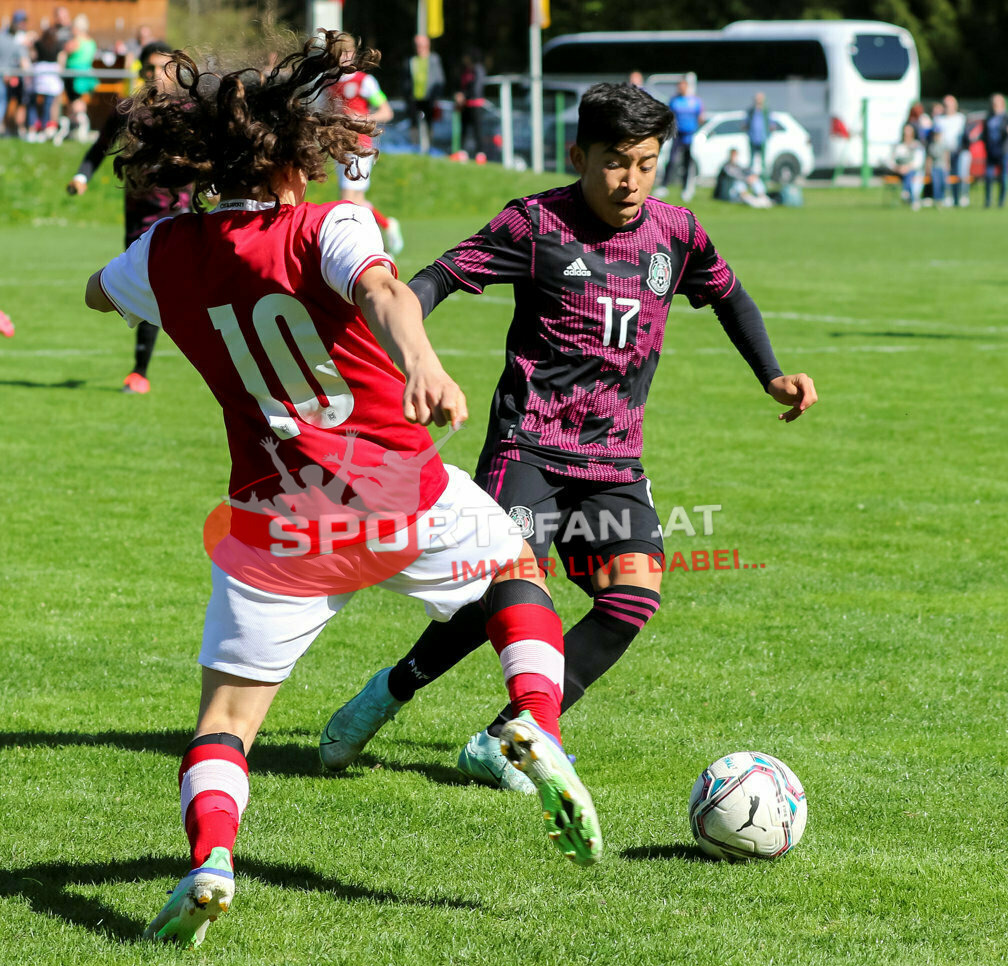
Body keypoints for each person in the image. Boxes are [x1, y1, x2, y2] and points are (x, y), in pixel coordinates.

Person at [83, 31, 602, 948]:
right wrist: (425, 362)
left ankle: (211, 862)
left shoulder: (165, 251)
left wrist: (157, 264)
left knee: (227, 724)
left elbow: (98, 291)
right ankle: (536, 721)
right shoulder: (330, 224)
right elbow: (386, 293)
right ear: (295, 155)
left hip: (271, 526)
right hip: (397, 493)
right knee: (517, 570)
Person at [320, 82, 817, 793]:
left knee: (632, 596)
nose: (632, 181)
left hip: (614, 459)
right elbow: (439, 278)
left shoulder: (676, 232)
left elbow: (729, 294)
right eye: (616, 162)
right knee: (506, 592)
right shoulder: (536, 225)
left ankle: (507, 741)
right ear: (579, 154)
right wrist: (411, 349)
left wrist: (771, 375)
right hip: (530, 448)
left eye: (647, 163)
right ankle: (390, 692)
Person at [68, 41, 192, 394]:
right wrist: (81, 177)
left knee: (158, 288)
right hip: (138, 217)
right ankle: (141, 370)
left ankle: (140, 372)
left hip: (178, 215)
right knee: (147, 294)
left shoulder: (187, 111)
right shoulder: (127, 111)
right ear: (140, 70)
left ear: (174, 70)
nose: (155, 75)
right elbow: (98, 148)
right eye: (149, 68)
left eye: (162, 68)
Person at [324, 31, 403, 255]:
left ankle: (356, 253)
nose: (344, 58)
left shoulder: (364, 81)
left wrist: (364, 119)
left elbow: (386, 111)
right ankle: (385, 237)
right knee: (357, 201)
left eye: (348, 53)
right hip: (340, 147)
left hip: (360, 146)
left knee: (347, 202)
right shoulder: (330, 82)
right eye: (340, 54)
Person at [660, 77, 703, 201]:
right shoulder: (674, 100)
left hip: (689, 135)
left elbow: (700, 117)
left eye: (683, 85)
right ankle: (664, 186)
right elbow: (669, 116)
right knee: (672, 160)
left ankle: (686, 189)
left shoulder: (695, 101)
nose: (681, 88)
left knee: (687, 162)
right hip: (676, 135)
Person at [402, 33, 444, 154]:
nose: (419, 48)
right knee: (414, 124)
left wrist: (436, 96)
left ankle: (430, 149)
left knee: (429, 124)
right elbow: (405, 79)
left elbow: (439, 79)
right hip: (413, 98)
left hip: (429, 98)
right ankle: (415, 148)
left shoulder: (434, 59)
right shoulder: (410, 60)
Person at [62, 13, 98, 141]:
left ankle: (78, 126)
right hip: (86, 74)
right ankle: (80, 128)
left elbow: (64, 51)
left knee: (74, 100)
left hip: (74, 75)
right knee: (81, 101)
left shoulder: (75, 42)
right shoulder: (91, 42)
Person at [931, 95, 967, 207]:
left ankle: (960, 197)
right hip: (942, 152)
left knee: (959, 174)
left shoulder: (960, 118)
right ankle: (946, 197)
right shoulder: (939, 119)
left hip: (957, 151)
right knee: (944, 174)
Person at [455, 48, 487, 158]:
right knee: (464, 128)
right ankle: (463, 151)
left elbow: (476, 88)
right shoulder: (465, 70)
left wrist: (465, 95)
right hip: (465, 104)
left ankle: (480, 153)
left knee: (477, 129)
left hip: (475, 104)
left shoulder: (478, 69)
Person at [887, 122, 925, 210]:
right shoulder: (898, 146)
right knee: (908, 174)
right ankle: (910, 196)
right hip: (898, 171)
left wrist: (907, 167)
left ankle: (907, 192)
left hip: (912, 171)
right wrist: (898, 168)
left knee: (911, 174)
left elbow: (918, 163)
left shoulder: (917, 146)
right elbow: (890, 161)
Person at [981, 92, 1007, 209]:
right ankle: (988, 201)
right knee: (988, 176)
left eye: (996, 103)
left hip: (1003, 151)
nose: (994, 105)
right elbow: (985, 134)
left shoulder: (1005, 117)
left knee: (1003, 178)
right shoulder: (989, 117)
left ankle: (1001, 202)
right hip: (991, 151)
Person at [744, 91, 768, 176]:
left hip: (763, 138)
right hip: (752, 138)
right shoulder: (751, 111)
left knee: (763, 161)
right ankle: (750, 177)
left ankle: (764, 178)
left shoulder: (766, 111)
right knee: (751, 161)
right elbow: (746, 123)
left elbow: (771, 124)